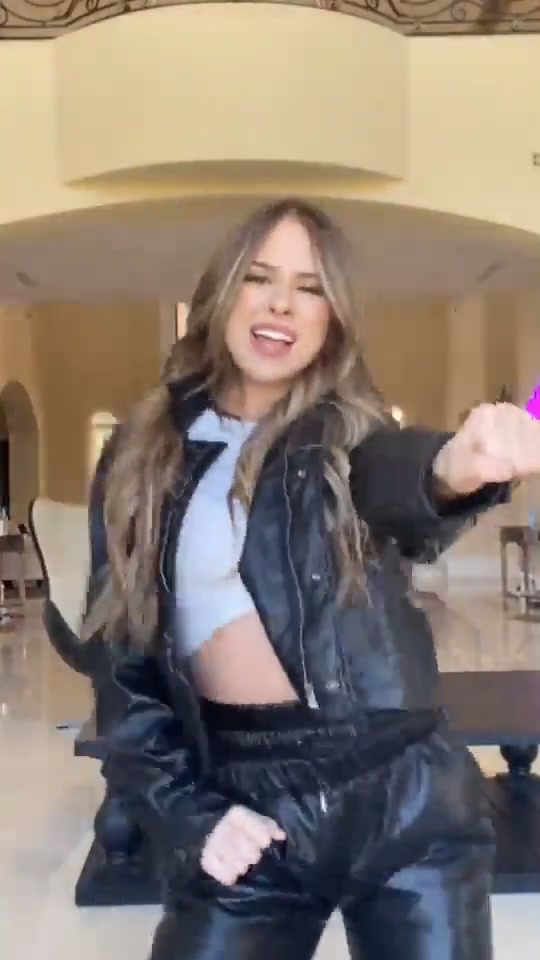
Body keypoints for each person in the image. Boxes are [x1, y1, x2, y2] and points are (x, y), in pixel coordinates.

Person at [83, 198, 540, 960]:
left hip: (403, 797)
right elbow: (121, 665)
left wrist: (454, 467)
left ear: (332, 319)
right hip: (245, 793)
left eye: (310, 287)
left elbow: (396, 477)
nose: (281, 304)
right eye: (259, 278)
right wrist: (192, 816)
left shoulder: (346, 435)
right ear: (221, 293)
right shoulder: (140, 456)